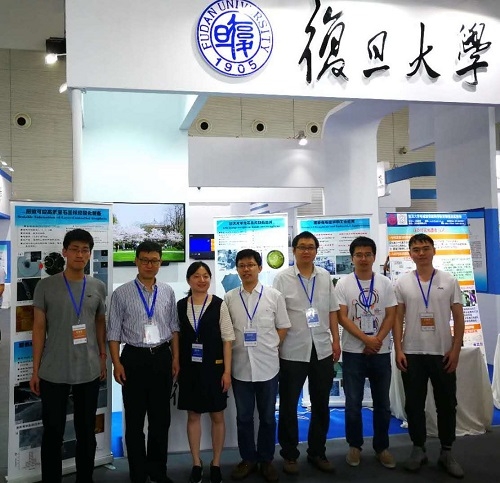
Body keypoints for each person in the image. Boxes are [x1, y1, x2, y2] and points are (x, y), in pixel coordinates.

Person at [29, 228, 107, 483]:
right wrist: (35, 369)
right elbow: (38, 328)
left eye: (85, 250)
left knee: (86, 431)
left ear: (90, 254)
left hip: (88, 369)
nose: (79, 254)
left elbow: (100, 323)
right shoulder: (46, 286)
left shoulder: (98, 286)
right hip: (54, 369)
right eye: (74, 249)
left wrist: (103, 357)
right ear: (64, 252)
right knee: (53, 432)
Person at [393, 233, 465, 478]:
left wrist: (455, 349)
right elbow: (398, 318)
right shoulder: (402, 282)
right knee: (414, 404)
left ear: (434, 251)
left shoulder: (449, 280)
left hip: (442, 352)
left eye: (425, 248)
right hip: (412, 353)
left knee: (447, 404)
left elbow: (459, 317)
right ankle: (418, 448)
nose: (421, 253)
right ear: (410, 254)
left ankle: (447, 451)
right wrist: (399, 348)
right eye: (416, 249)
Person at [108, 240, 179, 483]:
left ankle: (158, 470)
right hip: (134, 359)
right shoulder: (121, 293)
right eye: (145, 260)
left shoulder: (167, 291)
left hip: (161, 357)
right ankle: (137, 473)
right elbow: (113, 332)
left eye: (154, 260)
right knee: (135, 420)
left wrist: (175, 358)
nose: (150, 265)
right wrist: (116, 363)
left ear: (160, 262)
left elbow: (174, 328)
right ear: (136, 261)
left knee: (161, 420)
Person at [272, 231, 341, 475]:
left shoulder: (325, 276)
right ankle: (290, 455)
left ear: (316, 251)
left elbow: (332, 310)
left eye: (310, 247)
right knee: (289, 405)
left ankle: (317, 452)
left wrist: (336, 341)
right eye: (301, 247)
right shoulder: (282, 279)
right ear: (294, 251)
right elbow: (276, 315)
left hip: (321, 348)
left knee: (321, 404)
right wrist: (276, 345)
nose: (306, 251)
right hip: (292, 349)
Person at [224, 249, 291, 482]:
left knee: (268, 417)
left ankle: (266, 460)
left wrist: (272, 345)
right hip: (240, 367)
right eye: (242, 265)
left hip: (267, 366)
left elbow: (283, 326)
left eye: (251, 265)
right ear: (237, 269)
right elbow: (227, 332)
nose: (246, 269)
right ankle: (248, 459)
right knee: (243, 418)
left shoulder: (274, 296)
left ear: (260, 268)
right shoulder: (230, 298)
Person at [335, 236, 397, 469]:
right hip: (353, 351)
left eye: (367, 254)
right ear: (352, 258)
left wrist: (377, 340)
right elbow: (342, 317)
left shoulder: (385, 283)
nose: (363, 258)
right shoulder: (343, 284)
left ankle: (382, 447)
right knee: (353, 402)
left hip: (381, 350)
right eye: (358, 255)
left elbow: (391, 314)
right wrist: (366, 339)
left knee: (383, 403)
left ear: (374, 256)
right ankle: (354, 446)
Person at [177, 262, 235, 483]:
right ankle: (196, 462)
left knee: (217, 415)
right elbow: (176, 336)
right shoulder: (181, 305)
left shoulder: (219, 304)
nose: (201, 280)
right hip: (190, 370)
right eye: (196, 276)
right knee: (193, 415)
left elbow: (227, 340)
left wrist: (227, 372)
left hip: (214, 369)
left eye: (205, 276)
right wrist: (176, 362)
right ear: (189, 280)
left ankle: (216, 462)